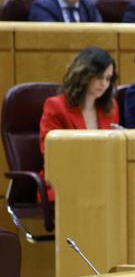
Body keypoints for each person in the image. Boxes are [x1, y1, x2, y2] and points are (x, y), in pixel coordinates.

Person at [39, 47, 119, 201]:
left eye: (108, 78)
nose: (104, 83)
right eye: (99, 77)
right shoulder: (56, 106)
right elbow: (49, 152)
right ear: (83, 75)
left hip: (101, 181)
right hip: (65, 181)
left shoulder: (111, 108)